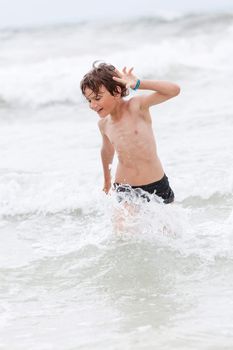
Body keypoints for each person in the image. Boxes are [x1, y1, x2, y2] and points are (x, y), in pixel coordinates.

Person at [80, 62, 180, 204]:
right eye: (89, 100)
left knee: (167, 227)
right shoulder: (104, 124)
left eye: (97, 98)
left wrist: (138, 83)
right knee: (123, 226)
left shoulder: (137, 106)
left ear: (116, 91)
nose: (92, 105)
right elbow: (107, 151)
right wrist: (107, 182)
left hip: (157, 186)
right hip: (125, 189)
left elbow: (174, 90)